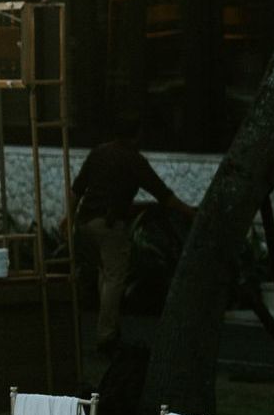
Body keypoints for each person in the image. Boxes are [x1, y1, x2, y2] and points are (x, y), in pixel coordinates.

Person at [68, 130, 195, 353]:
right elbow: (163, 195)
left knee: (105, 274)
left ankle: (110, 330)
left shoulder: (99, 152)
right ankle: (106, 336)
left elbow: (76, 190)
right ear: (136, 137)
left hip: (86, 222)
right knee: (115, 277)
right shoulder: (134, 160)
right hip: (109, 222)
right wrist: (190, 212)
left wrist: (68, 220)